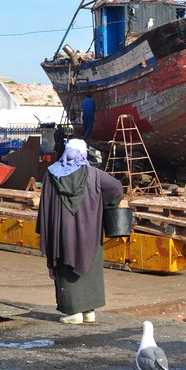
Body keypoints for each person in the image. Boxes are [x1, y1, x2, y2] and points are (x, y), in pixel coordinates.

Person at [36, 138, 124, 324]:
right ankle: (88, 312)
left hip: (62, 232)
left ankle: (74, 313)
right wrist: (104, 205)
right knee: (89, 267)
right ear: (84, 154)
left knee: (66, 266)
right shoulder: (95, 174)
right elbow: (116, 188)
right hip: (89, 232)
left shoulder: (52, 174)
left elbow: (46, 204)